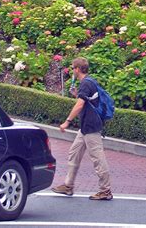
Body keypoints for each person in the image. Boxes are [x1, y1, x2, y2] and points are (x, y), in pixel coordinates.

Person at [52, 57, 113, 200]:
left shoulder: (86, 83)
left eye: (73, 68)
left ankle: (105, 190)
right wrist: (76, 94)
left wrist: (67, 121)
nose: (72, 70)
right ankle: (68, 186)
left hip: (91, 127)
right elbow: (86, 101)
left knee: (98, 158)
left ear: (78, 69)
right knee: (74, 153)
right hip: (85, 127)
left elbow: (79, 105)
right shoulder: (88, 82)